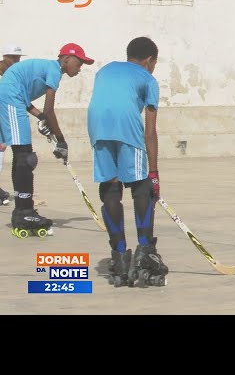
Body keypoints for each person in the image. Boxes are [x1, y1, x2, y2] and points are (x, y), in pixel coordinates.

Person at [87, 36, 168, 288]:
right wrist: (153, 173)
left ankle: (119, 256)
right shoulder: (148, 79)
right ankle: (145, 252)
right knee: (141, 187)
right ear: (149, 60)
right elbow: (150, 132)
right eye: (154, 63)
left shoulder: (105, 70)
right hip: (126, 126)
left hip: (97, 126)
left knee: (111, 188)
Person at [0, 42, 93, 237]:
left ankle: (21, 209)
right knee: (25, 157)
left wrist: (41, 118)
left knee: (22, 157)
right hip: (10, 98)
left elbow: (32, 105)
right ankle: (25, 211)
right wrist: (61, 140)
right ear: (66, 59)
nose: (80, 66)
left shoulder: (45, 68)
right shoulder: (54, 71)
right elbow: (49, 109)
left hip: (14, 98)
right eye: (79, 62)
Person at [0, 43, 26, 205]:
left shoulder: (9, 76)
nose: (16, 62)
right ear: (5, 57)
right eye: (14, 58)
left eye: (18, 59)